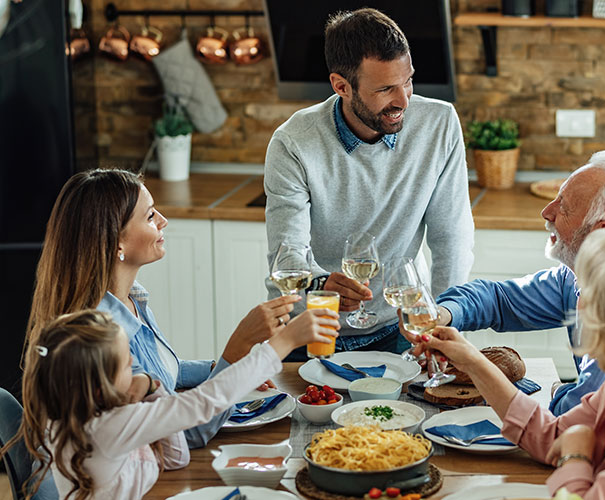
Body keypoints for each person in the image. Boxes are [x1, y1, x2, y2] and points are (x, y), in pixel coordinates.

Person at [26, 168, 313, 448]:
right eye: (150, 216)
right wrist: (237, 352)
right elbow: (186, 435)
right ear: (116, 242)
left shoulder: (130, 300)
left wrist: (215, 369)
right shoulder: (104, 332)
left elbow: (160, 373)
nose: (163, 221)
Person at [417, 228, 605, 498]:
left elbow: (567, 448)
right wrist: (473, 361)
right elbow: (551, 436)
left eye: (585, 291)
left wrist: (575, 456)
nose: (577, 304)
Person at [264, 8, 474, 360]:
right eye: (385, 88)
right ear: (341, 86)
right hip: (309, 331)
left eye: (407, 81)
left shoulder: (439, 124)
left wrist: (442, 329)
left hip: (399, 329)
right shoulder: (293, 142)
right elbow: (287, 256)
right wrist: (318, 283)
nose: (404, 100)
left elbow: (451, 239)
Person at [416, 150, 605, 415]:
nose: (546, 212)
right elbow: (499, 300)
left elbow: (576, 415)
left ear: (600, 234)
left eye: (563, 207)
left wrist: (560, 389)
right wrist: (445, 313)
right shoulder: (578, 278)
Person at [5, 308, 336, 500]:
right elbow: (206, 401)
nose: (136, 362)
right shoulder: (109, 427)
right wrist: (283, 343)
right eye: (127, 361)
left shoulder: (87, 415)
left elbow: (177, 458)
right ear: (100, 383)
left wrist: (151, 386)